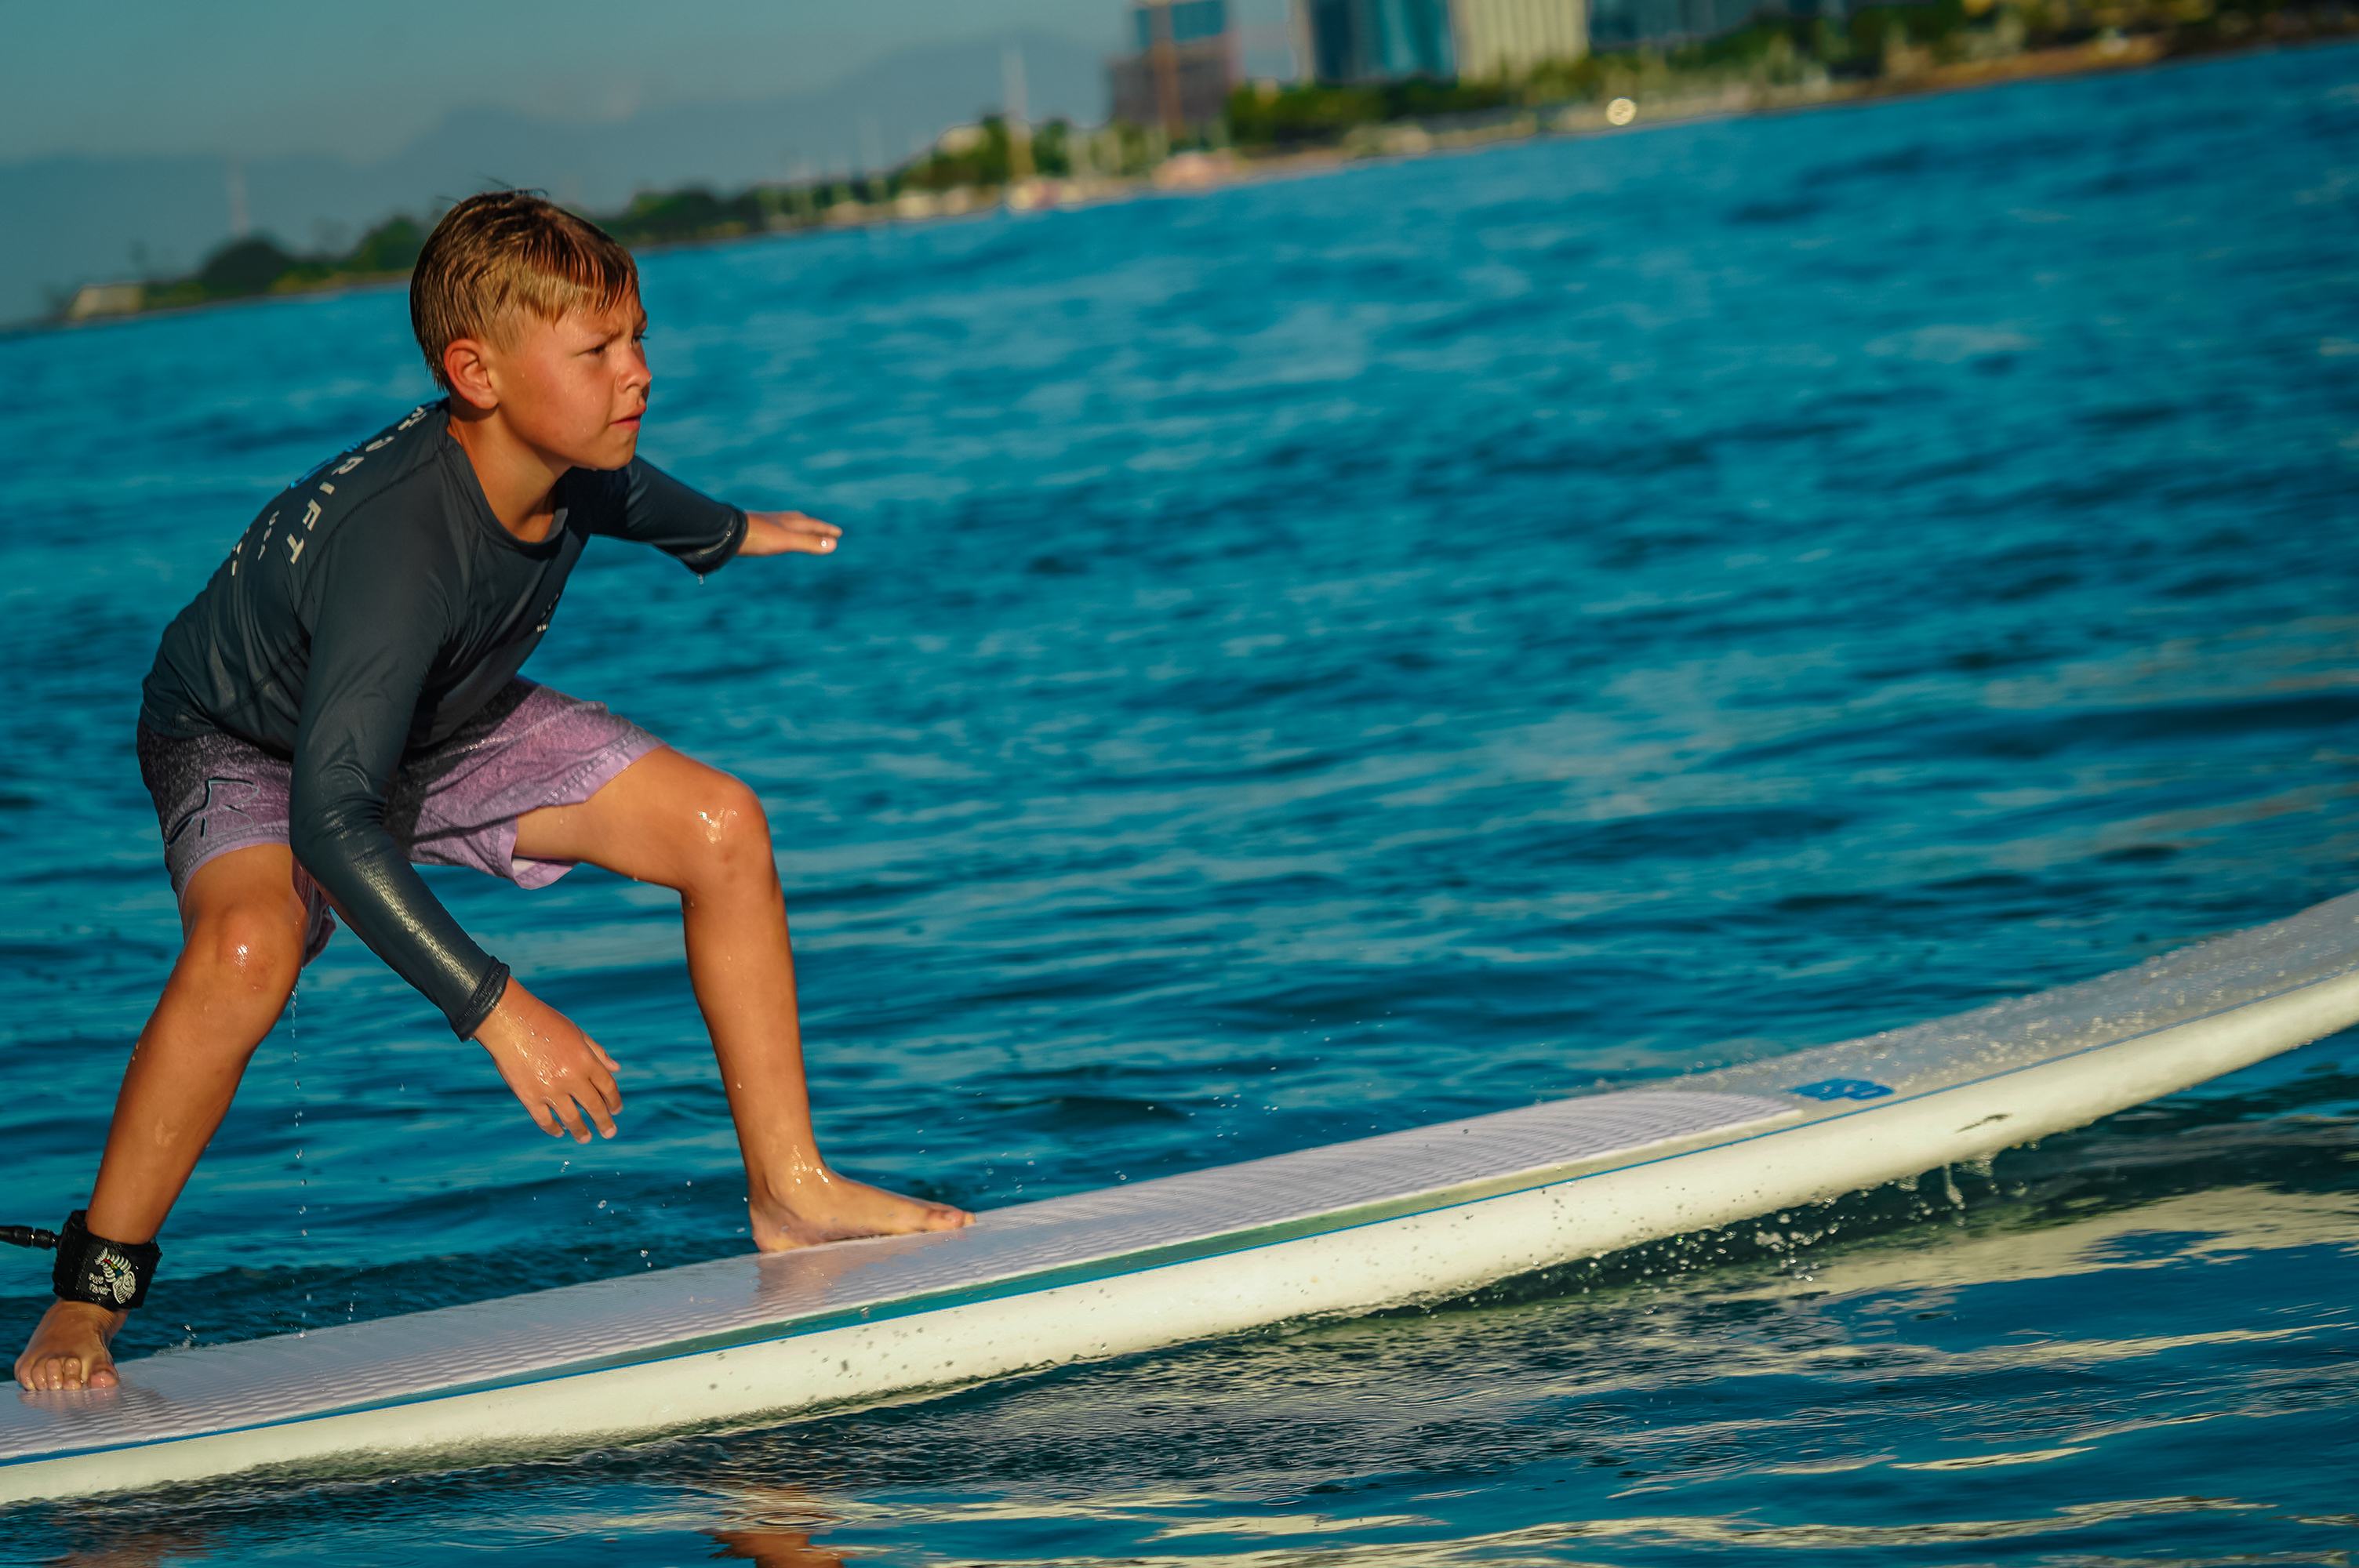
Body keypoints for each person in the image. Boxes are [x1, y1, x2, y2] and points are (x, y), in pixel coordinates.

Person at [13, 191, 971, 1392]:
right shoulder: (402, 547)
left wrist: (729, 532)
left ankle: (793, 1189)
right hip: (250, 741)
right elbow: (330, 817)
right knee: (255, 945)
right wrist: (498, 1008)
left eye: (636, 339)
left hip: (433, 714)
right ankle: (87, 1300)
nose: (640, 374)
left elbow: (627, 494)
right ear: (476, 374)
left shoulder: (565, 457)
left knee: (719, 824)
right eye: (600, 352)